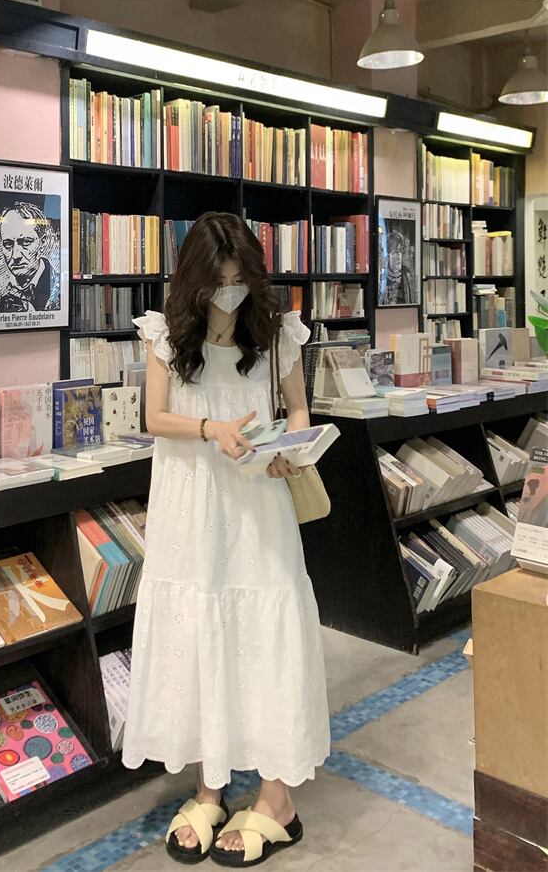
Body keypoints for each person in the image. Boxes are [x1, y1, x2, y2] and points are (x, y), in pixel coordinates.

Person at [122, 212, 330, 867]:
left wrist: (291, 449)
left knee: (265, 632)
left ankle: (276, 797)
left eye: (241, 282)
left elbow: (297, 408)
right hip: (190, 501)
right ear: (195, 282)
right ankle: (209, 787)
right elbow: (155, 417)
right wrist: (211, 429)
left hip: (257, 499)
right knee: (198, 632)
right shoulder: (165, 334)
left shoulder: (276, 332)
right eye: (219, 284)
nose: (231, 296)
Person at [0, 201, 59, 313]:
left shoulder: (59, 290)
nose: (16, 255)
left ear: (43, 242)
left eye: (25, 242)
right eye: (8, 244)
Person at [380, 228, 414, 305]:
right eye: (395, 252)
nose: (399, 256)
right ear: (388, 255)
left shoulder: (406, 276)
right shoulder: (382, 278)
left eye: (400, 252)